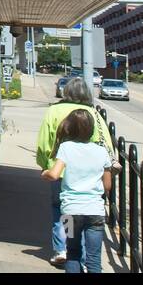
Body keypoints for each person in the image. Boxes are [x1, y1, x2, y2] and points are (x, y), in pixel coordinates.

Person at [35, 75, 116, 266]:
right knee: (92, 243)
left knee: (60, 211)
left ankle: (61, 248)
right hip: (91, 192)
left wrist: (46, 167)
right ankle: (86, 257)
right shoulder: (93, 114)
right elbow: (108, 148)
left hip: (61, 175)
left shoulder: (54, 112)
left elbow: (43, 142)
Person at [41, 108, 112, 273]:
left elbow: (54, 174)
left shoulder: (66, 147)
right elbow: (107, 186)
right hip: (95, 213)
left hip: (70, 213)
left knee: (72, 252)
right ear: (92, 129)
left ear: (69, 128)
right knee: (94, 259)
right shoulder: (102, 152)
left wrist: (45, 173)